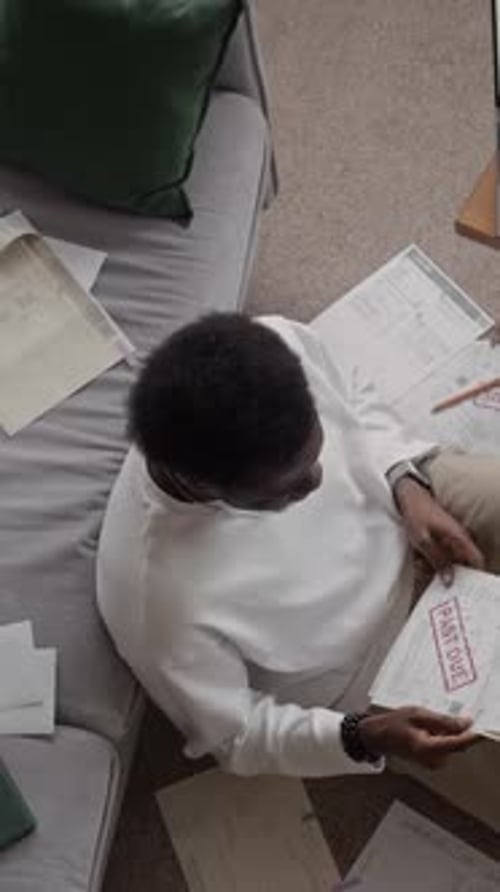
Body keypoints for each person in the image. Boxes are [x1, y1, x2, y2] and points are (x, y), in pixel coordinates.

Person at [97, 313, 500, 778]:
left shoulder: (275, 343)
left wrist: (402, 479)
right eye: (289, 489)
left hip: (408, 504)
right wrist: (360, 735)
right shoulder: (154, 601)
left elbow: (353, 395)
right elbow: (237, 735)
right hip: (370, 666)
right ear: (206, 488)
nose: (319, 478)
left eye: (315, 451)